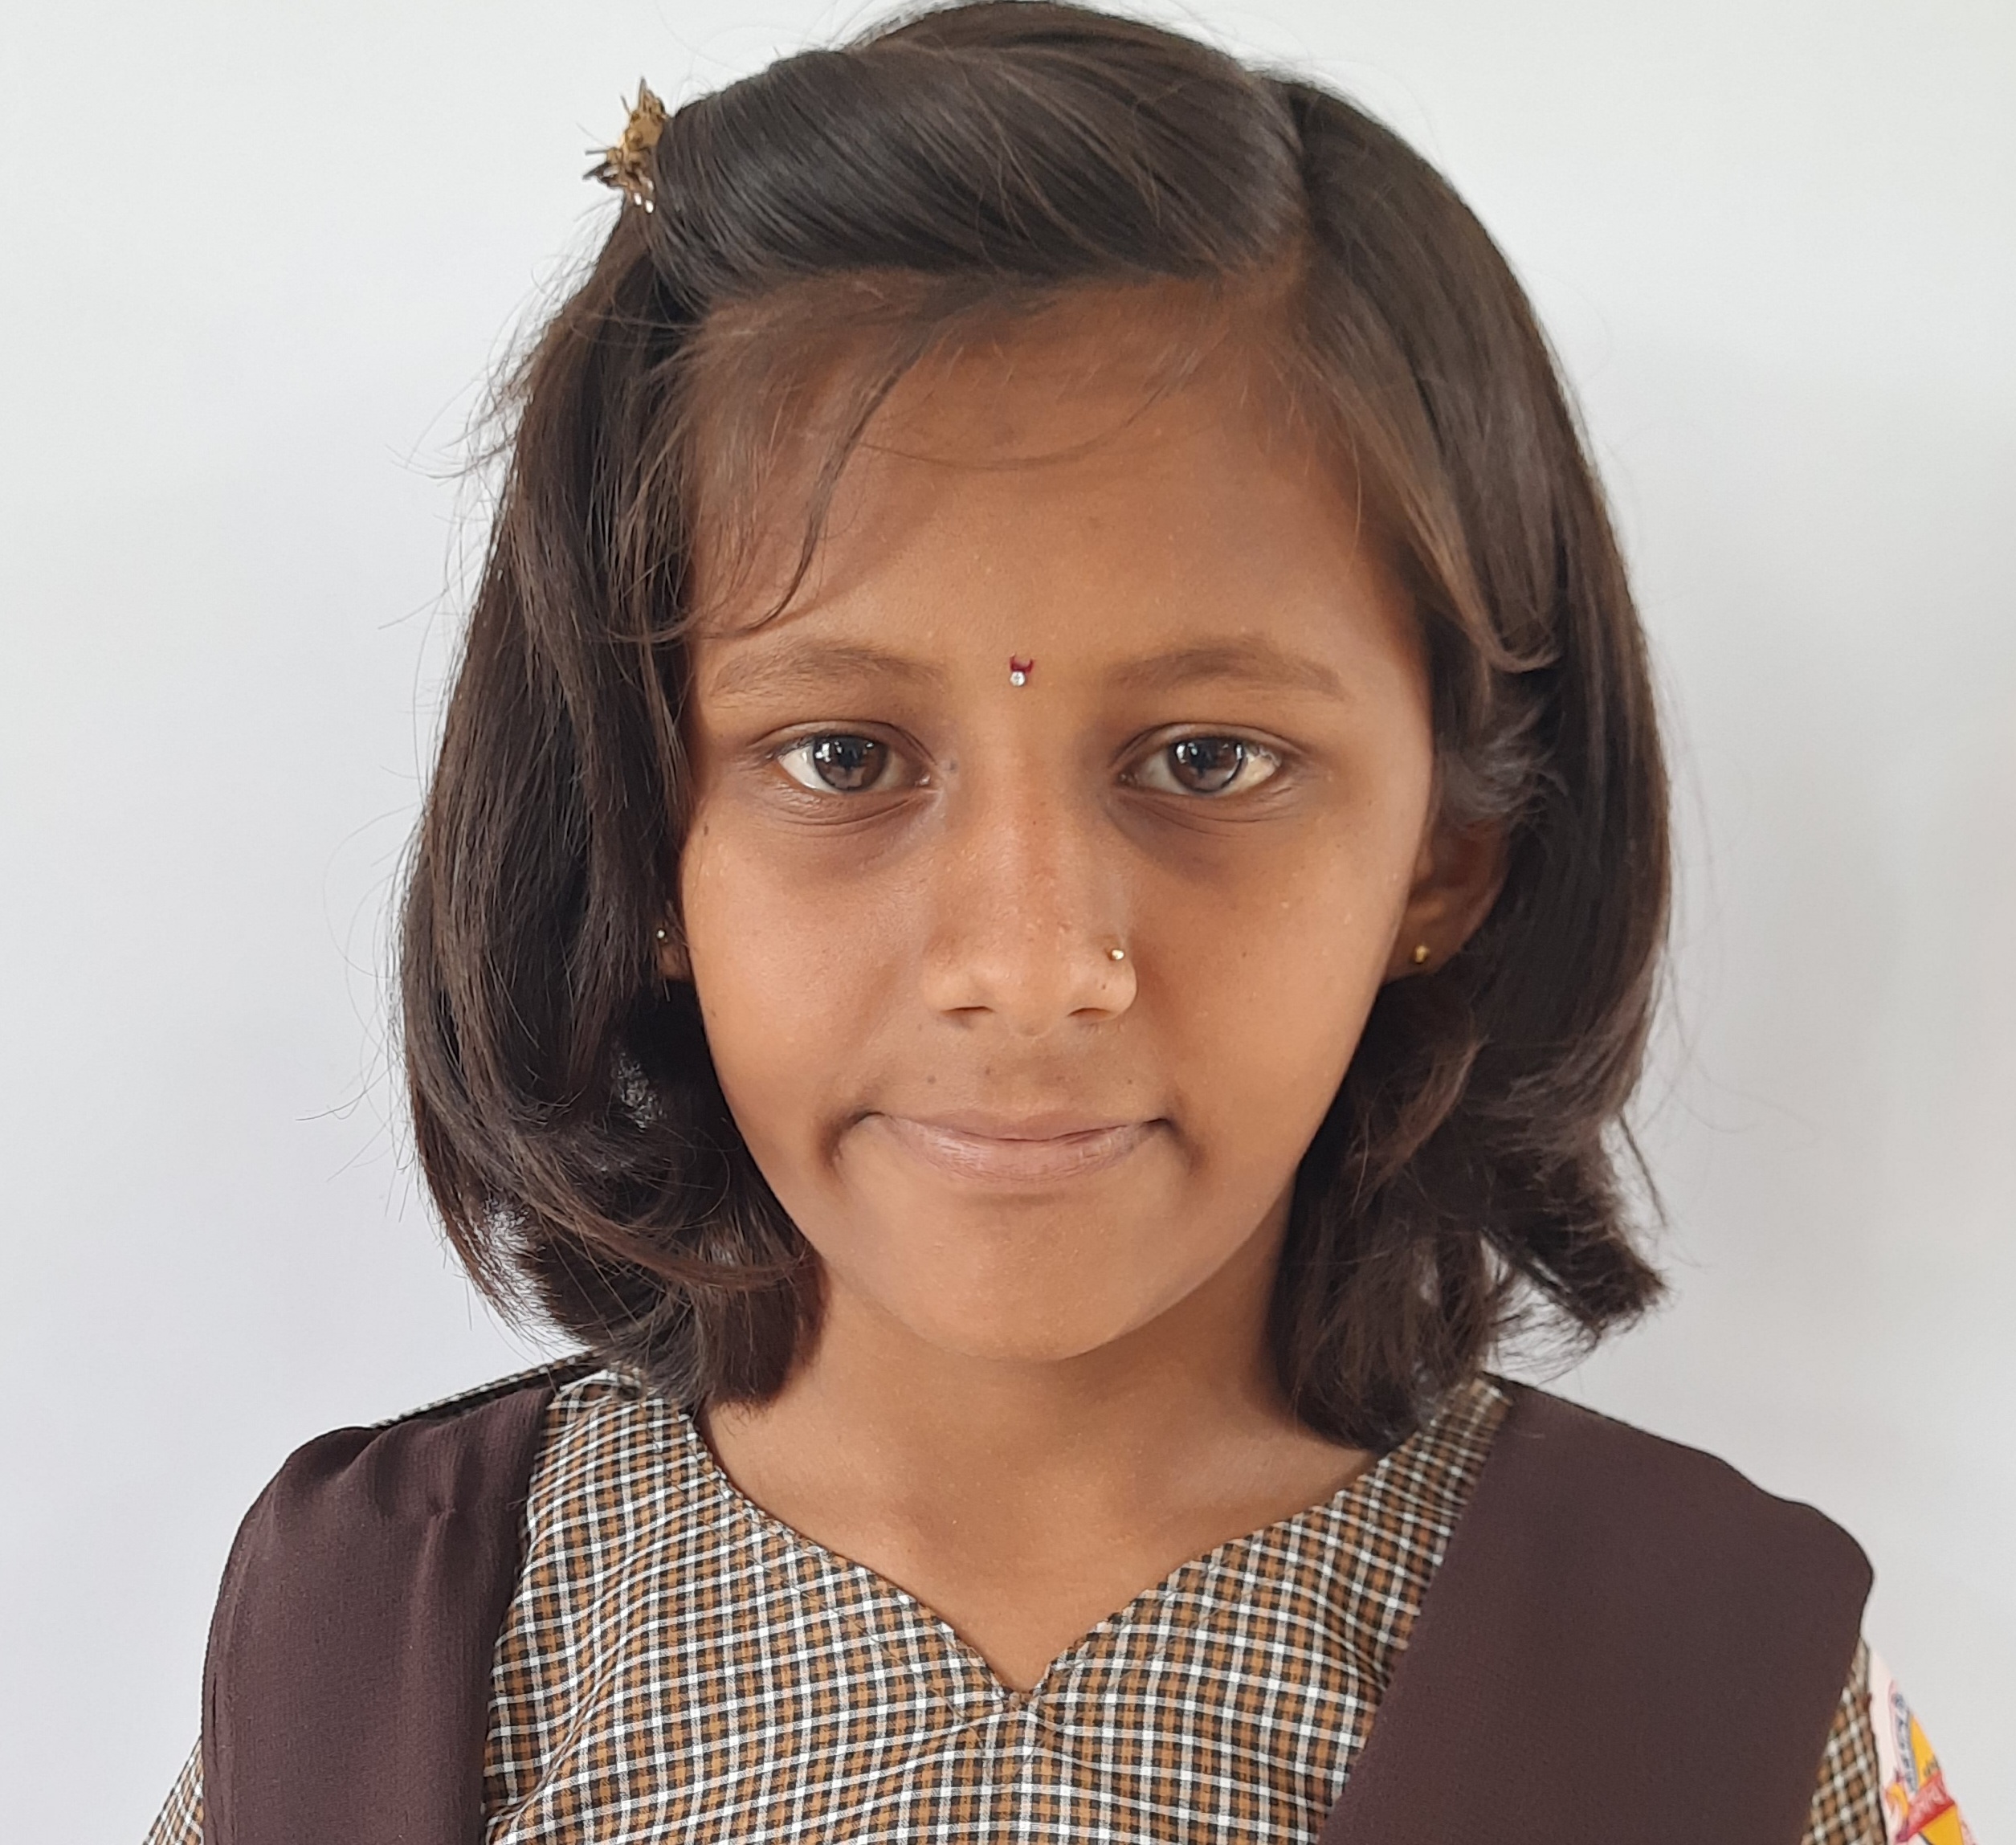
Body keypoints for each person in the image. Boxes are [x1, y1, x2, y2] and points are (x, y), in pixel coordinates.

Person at [145, 3, 1976, 1840]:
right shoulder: (372, 1663)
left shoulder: (1718, 1707)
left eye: (1205, 759)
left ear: (1449, 853)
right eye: (843, 756)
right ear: (634, 836)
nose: (1026, 969)